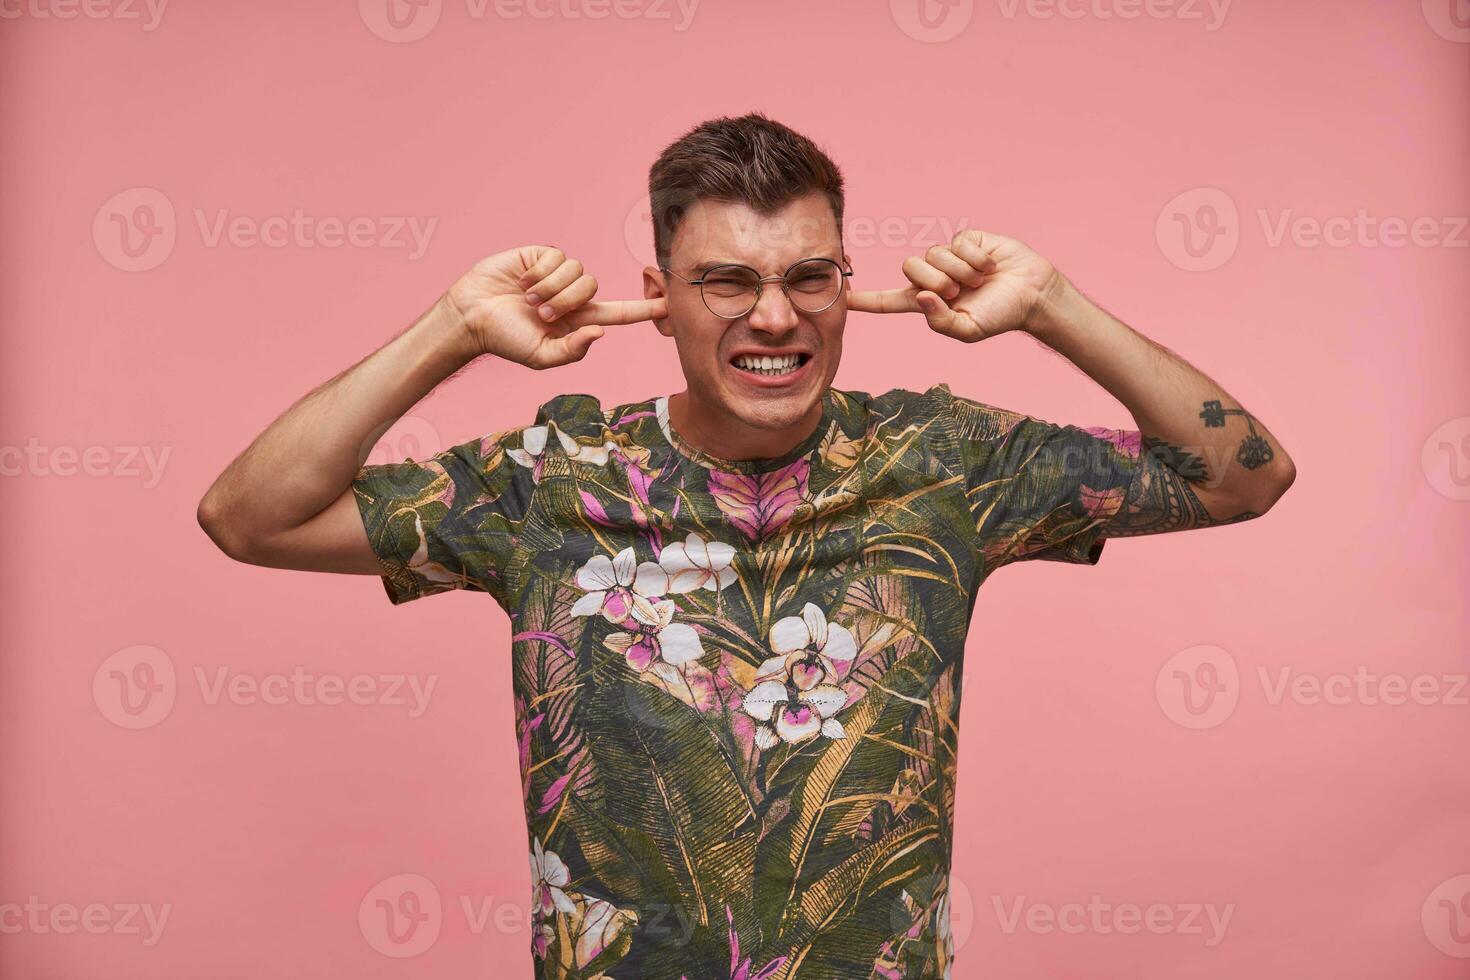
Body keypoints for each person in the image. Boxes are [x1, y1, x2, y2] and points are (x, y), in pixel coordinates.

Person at [197, 112, 1295, 978]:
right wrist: (453, 326)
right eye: (727, 279)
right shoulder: (552, 480)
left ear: (846, 286)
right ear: (659, 300)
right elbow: (249, 516)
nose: (775, 315)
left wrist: (1052, 302)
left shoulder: (945, 460)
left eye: (808, 276)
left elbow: (1249, 475)